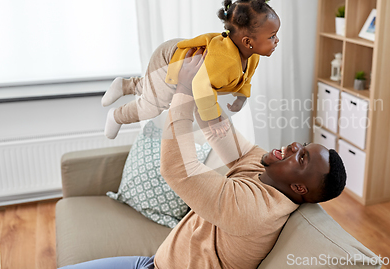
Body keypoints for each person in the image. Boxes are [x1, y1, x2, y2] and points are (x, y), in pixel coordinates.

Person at [60, 48, 346, 269]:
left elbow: (177, 169)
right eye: (303, 145)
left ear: (299, 188)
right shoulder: (261, 167)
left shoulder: (254, 209)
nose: (295, 145)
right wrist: (201, 82)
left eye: (302, 158)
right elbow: (216, 126)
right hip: (152, 263)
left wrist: (182, 92)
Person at [102, 0, 280, 139]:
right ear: (248, 42)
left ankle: (125, 86)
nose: (277, 40)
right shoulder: (223, 60)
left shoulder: (252, 55)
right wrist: (213, 119)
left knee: (154, 86)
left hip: (178, 54)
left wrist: (241, 97)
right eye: (272, 36)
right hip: (169, 60)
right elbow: (201, 87)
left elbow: (245, 77)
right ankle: (116, 116)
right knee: (153, 105)